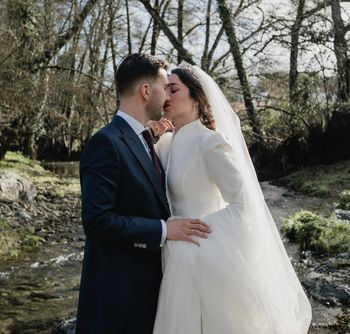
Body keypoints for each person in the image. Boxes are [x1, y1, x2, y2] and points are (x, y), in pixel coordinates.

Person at [152, 63, 312, 334]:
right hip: (172, 257)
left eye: (174, 89)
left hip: (201, 255)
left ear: (197, 97)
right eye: (164, 89)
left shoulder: (210, 142)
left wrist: (194, 232)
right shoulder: (165, 143)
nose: (166, 96)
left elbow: (243, 205)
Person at [75, 54, 211, 334]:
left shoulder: (147, 140)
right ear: (146, 91)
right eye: (165, 87)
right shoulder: (106, 143)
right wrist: (164, 230)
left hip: (151, 292)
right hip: (117, 300)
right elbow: (96, 221)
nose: (167, 97)